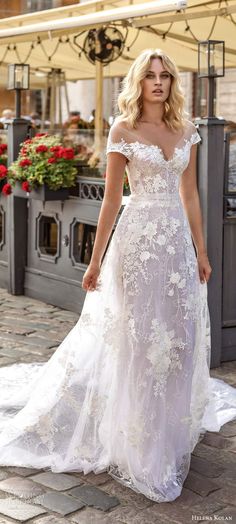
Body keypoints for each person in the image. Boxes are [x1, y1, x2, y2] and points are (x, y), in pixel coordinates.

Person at [0, 49, 236, 504]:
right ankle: (136, 439)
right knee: (139, 340)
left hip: (175, 250)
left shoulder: (187, 131)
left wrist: (201, 251)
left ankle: (165, 428)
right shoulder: (123, 129)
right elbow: (111, 200)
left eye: (165, 75)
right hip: (135, 244)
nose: (159, 82)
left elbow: (190, 196)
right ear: (138, 82)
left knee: (177, 340)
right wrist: (93, 261)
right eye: (150, 76)